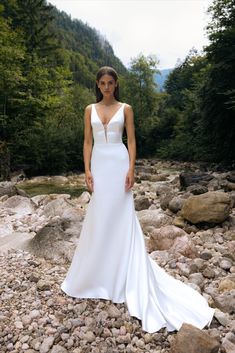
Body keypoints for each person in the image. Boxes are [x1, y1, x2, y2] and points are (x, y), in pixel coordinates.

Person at [61, 66, 215, 333]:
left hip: (119, 163)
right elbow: (87, 142)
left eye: (110, 83)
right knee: (100, 218)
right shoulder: (89, 109)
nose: (107, 87)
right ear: (97, 85)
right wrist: (86, 169)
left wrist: (131, 168)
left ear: (116, 84)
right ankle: (96, 275)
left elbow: (131, 141)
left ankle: (122, 276)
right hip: (99, 163)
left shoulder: (126, 108)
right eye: (102, 83)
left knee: (120, 217)